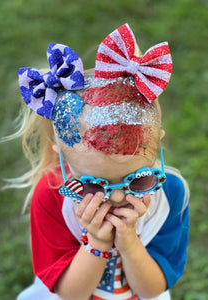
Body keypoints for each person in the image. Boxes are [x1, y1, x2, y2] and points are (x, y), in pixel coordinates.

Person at [16, 24, 189, 300]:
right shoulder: (51, 196)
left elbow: (152, 290)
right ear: (62, 157)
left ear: (157, 148)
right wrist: (97, 242)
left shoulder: (170, 196)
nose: (118, 196)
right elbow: (70, 295)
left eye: (138, 179)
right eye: (92, 185)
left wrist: (130, 242)